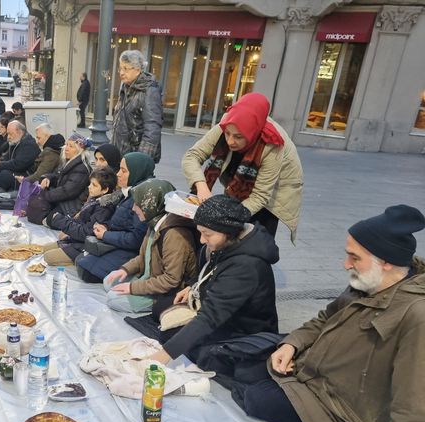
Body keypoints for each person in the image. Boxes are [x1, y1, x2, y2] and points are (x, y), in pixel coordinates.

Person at [229, 205, 425, 422]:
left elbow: (413, 409)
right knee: (243, 364)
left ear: (385, 262)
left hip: (342, 406)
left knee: (254, 397)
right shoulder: (369, 280)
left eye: (354, 257)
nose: (345, 263)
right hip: (313, 370)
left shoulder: (416, 315)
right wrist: (292, 345)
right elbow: (323, 319)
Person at [143, 195, 279, 379]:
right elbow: (208, 271)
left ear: (228, 232)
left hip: (242, 329)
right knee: (161, 307)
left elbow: (210, 318)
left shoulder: (246, 266)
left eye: (207, 234)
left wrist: (163, 356)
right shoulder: (224, 244)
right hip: (217, 307)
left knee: (191, 345)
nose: (201, 240)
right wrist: (192, 286)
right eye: (200, 232)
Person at [183, 93, 303, 241]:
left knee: (255, 239)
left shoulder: (273, 143)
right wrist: (202, 187)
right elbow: (192, 156)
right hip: (242, 176)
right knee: (226, 230)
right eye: (227, 134)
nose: (230, 141)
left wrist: (231, 215)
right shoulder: (228, 123)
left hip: (276, 189)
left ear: (252, 133)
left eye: (238, 136)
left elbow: (260, 196)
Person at [103, 179, 197, 313]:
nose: (134, 208)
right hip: (152, 277)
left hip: (167, 290)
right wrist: (125, 270)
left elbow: (171, 280)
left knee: (113, 298)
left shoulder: (174, 234)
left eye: (138, 204)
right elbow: (143, 257)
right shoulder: (154, 223)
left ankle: (152, 303)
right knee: (109, 281)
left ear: (152, 205)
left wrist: (132, 288)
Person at [75, 152, 153, 283]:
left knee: (85, 269)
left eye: (124, 171)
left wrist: (106, 235)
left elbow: (136, 239)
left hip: (130, 252)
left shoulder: (142, 197)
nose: (118, 174)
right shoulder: (129, 192)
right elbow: (121, 221)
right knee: (81, 261)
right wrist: (106, 226)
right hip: (117, 243)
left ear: (137, 172)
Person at [40, 167, 119, 266]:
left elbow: (86, 233)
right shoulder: (95, 200)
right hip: (76, 240)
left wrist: (61, 221)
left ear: (105, 190)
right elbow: (80, 221)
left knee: (48, 257)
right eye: (90, 183)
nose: (89, 187)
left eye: (94, 185)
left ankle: (76, 262)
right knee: (44, 248)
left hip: (85, 246)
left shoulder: (104, 209)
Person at [26, 132, 93, 226]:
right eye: (66, 145)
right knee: (34, 209)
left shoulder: (82, 168)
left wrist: (45, 195)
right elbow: (58, 176)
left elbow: (68, 191)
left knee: (43, 216)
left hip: (72, 206)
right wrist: (48, 178)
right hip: (62, 201)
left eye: (71, 146)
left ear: (79, 150)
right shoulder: (69, 162)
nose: (66, 148)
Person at [110, 50, 163, 163]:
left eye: (126, 68)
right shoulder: (125, 87)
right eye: (120, 68)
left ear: (138, 70)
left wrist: (140, 161)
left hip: (134, 157)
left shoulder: (149, 90)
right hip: (120, 154)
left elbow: (152, 129)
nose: (121, 72)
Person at [0, 121, 40, 192]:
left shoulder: (29, 145)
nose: (8, 137)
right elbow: (8, 158)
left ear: (20, 132)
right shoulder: (16, 142)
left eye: (10, 134)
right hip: (17, 170)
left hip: (26, 174)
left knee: (4, 174)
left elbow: (19, 164)